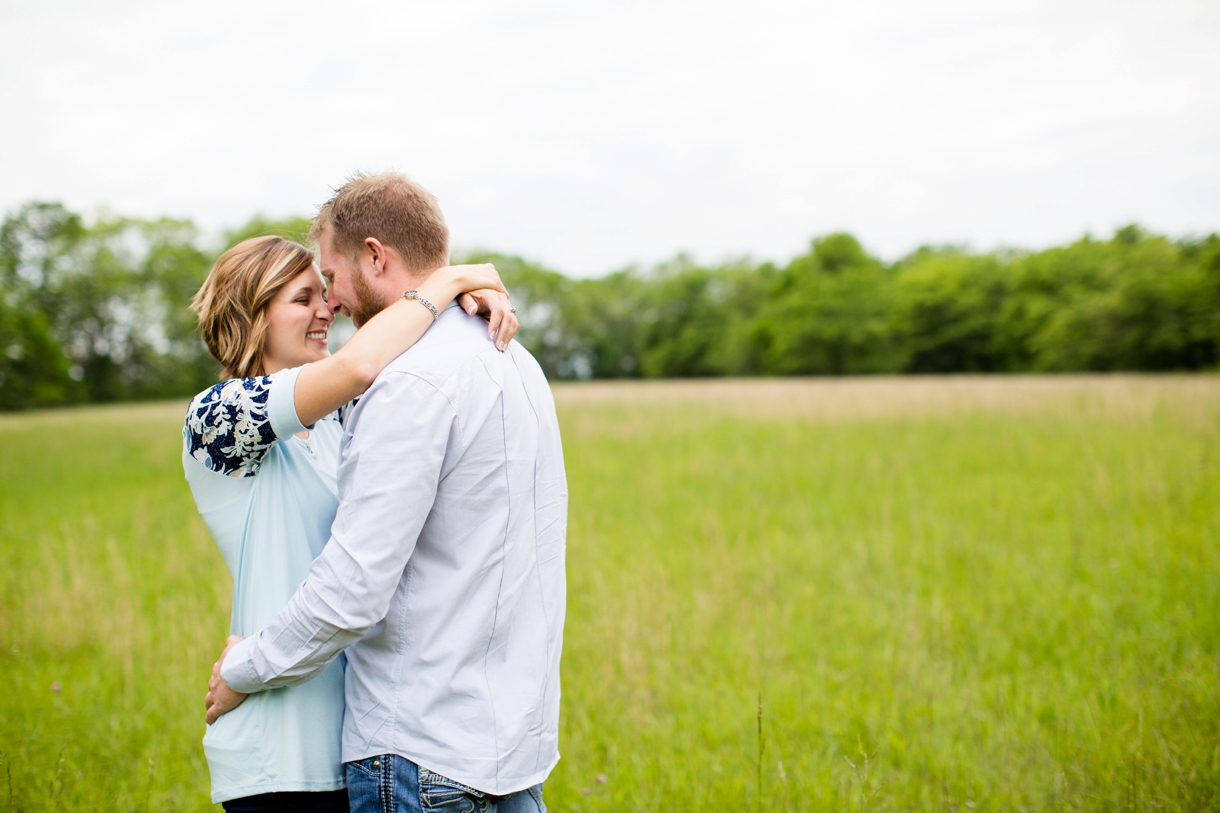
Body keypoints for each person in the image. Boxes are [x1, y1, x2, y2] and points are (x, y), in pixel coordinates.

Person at [204, 172, 567, 813]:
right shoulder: (224, 416)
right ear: (250, 314)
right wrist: (451, 282)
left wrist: (453, 290)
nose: (330, 307)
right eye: (304, 297)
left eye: (329, 283)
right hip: (291, 742)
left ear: (374, 255)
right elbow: (355, 366)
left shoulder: (372, 404)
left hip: (406, 741)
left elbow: (354, 583)